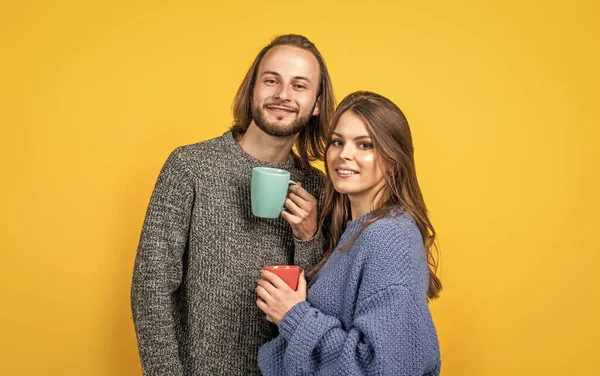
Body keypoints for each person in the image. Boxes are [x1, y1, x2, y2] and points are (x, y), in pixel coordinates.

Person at [131, 34, 336, 375]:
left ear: (316, 104)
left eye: (299, 86)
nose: (283, 95)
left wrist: (308, 237)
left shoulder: (321, 189)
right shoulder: (190, 167)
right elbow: (151, 288)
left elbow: (323, 310)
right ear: (252, 89)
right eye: (272, 80)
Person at [256, 91, 442, 375]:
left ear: (394, 158)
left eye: (365, 145)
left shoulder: (390, 237)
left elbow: (384, 367)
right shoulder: (356, 231)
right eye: (338, 142)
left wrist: (294, 316)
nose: (345, 154)